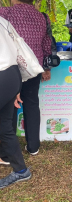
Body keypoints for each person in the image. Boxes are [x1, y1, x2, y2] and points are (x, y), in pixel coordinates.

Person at [0, 0, 52, 156]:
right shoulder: (42, 17)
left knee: (10, 107)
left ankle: (8, 153)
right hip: (33, 68)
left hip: (11, 69)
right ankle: (33, 147)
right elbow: (47, 44)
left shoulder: (4, 13)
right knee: (31, 103)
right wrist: (46, 68)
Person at [0, 17, 32, 189]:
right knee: (4, 125)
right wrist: (15, 87)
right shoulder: (3, 21)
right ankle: (21, 171)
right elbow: (16, 48)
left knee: (4, 125)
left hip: (3, 74)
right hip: (12, 74)